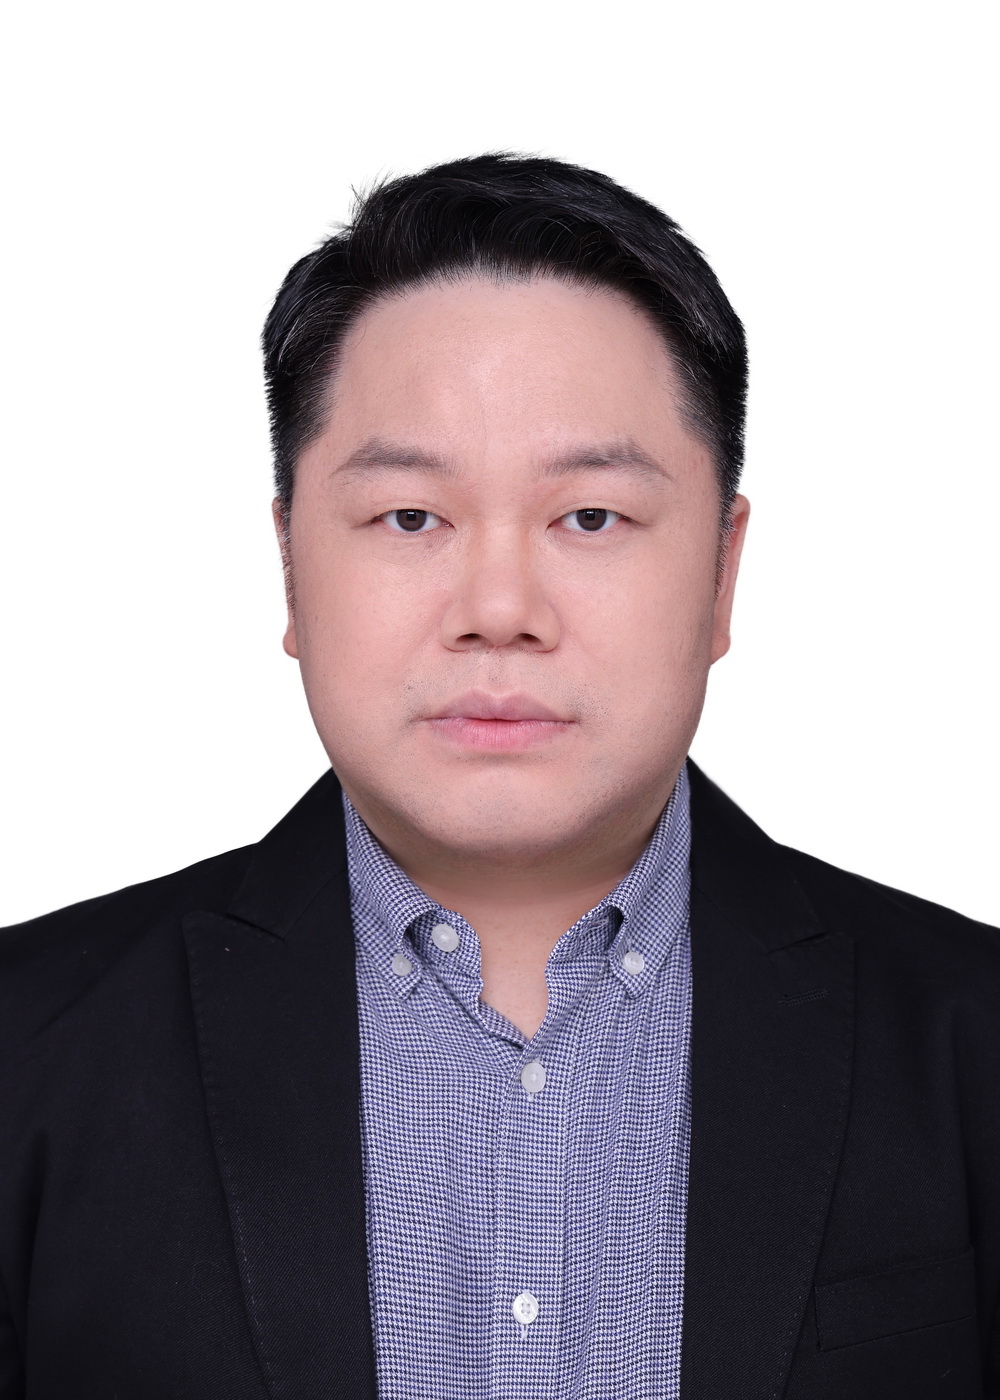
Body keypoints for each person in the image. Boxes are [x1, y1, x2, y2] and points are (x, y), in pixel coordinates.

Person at [0, 152, 997, 1400]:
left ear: (721, 571)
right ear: (290, 560)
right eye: (411, 517)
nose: (499, 607)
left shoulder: (970, 1041)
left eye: (590, 517)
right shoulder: (27, 1049)